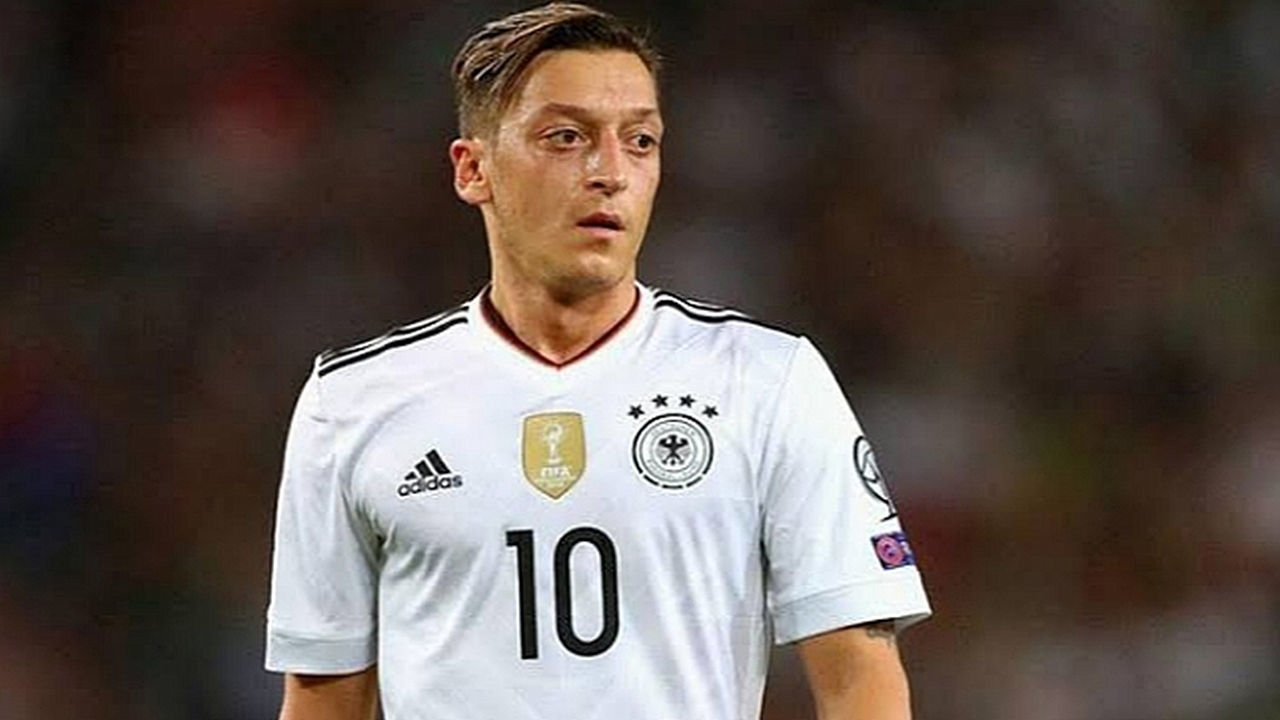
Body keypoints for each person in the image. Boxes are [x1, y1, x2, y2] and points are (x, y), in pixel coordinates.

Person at [264, 3, 931, 719]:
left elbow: (860, 679)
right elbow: (324, 699)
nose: (610, 171)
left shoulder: (767, 381)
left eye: (639, 141)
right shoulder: (353, 402)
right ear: (473, 169)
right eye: (566, 137)